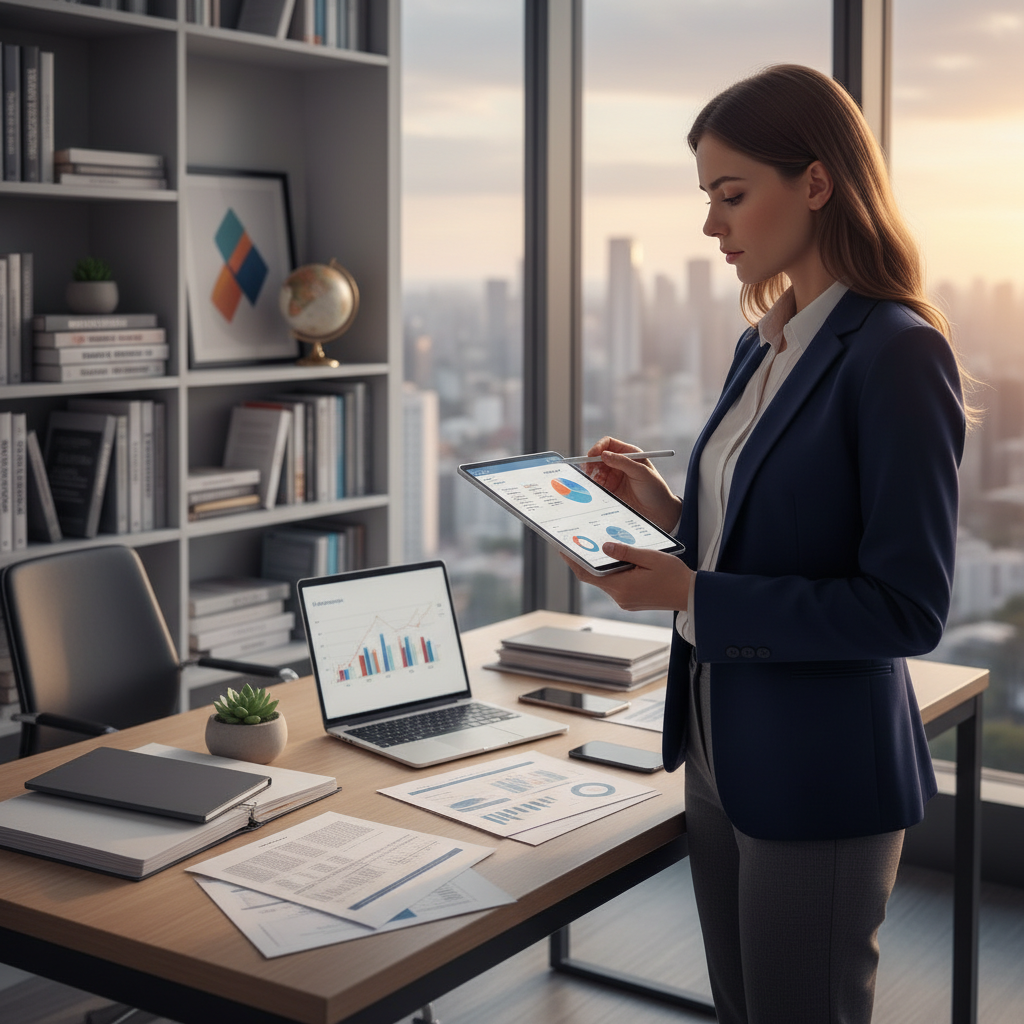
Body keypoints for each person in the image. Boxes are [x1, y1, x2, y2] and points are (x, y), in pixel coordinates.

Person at [566, 65, 967, 1024]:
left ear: (818, 183)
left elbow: (906, 608)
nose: (713, 227)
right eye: (708, 200)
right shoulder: (766, 343)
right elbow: (760, 533)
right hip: (718, 745)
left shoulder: (897, 351)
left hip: (819, 771)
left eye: (732, 196)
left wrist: (690, 596)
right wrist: (665, 512)